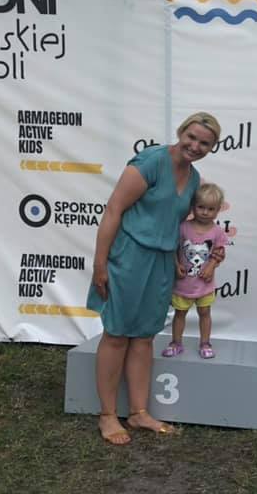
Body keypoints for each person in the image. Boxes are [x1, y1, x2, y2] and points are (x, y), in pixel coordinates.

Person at [87, 112, 222, 445]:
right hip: (129, 256)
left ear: (212, 147)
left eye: (204, 143)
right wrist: (100, 264)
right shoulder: (150, 161)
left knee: (145, 336)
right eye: (191, 137)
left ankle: (138, 412)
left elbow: (177, 224)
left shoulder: (194, 178)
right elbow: (114, 210)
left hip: (162, 263)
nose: (195, 146)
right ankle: (107, 415)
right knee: (117, 333)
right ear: (181, 132)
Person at [161, 182, 230, 360]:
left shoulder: (217, 232)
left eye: (211, 209)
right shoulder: (183, 227)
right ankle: (176, 343)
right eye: (201, 207)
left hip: (205, 286)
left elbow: (219, 253)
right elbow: (172, 248)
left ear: (218, 210)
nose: (205, 212)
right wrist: (176, 265)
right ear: (193, 206)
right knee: (179, 314)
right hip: (183, 285)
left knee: (205, 313)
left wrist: (211, 266)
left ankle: (205, 343)